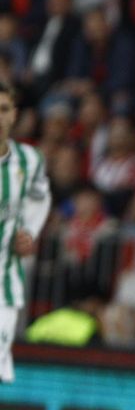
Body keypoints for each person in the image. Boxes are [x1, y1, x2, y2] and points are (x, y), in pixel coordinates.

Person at [0, 81, 51, 384]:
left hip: (4, 284)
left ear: (14, 114)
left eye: (4, 109)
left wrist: (29, 231)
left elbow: (40, 198)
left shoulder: (30, 161)